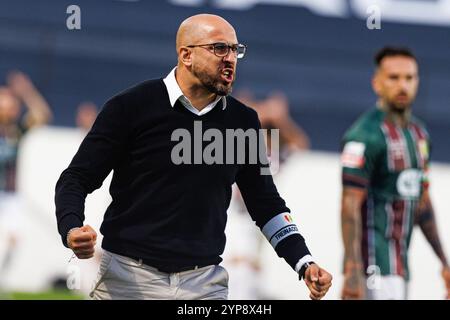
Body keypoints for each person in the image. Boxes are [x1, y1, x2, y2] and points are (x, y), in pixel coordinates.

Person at [55, 14, 332, 300]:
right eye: (219, 48)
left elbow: (266, 204)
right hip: (129, 280)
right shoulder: (131, 106)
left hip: (204, 284)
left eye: (235, 50)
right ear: (186, 55)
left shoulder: (243, 120)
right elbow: (75, 178)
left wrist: (303, 262)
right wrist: (71, 228)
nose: (231, 58)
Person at [340, 46, 450, 300]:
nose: (403, 85)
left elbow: (420, 202)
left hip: (400, 268)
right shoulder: (364, 136)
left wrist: (444, 262)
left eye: (409, 78)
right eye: (394, 77)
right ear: (377, 83)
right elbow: (349, 206)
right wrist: (353, 270)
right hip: (373, 270)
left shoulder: (420, 135)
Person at [0, 71, 52, 285]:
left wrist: (26, 91)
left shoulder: (17, 131)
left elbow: (42, 114)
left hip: (11, 194)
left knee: (13, 239)